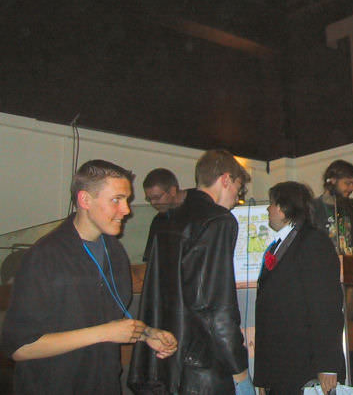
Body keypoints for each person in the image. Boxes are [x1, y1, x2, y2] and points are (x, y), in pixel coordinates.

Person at [0, 160, 177, 395]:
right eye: (117, 199)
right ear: (85, 200)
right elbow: (19, 347)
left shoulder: (114, 251)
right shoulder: (45, 256)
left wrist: (147, 334)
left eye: (126, 200)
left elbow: (109, 319)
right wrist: (103, 333)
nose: (126, 210)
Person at [128, 150, 253, 395]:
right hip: (203, 365)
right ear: (226, 179)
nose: (237, 196)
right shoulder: (218, 220)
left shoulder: (166, 219)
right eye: (238, 187)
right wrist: (239, 371)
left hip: (167, 361)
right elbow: (215, 306)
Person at [254, 181, 345, 394]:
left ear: (283, 208)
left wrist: (328, 365)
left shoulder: (313, 242)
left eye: (271, 203)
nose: (268, 209)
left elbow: (326, 306)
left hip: (305, 366)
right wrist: (264, 375)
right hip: (280, 368)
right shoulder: (280, 245)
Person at [311, 160, 353, 255]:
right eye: (347, 183)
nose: (352, 188)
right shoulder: (313, 207)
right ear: (333, 180)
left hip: (350, 261)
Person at [141, 168, 187, 262]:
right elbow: (151, 260)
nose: (153, 203)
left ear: (173, 191)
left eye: (157, 197)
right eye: (149, 199)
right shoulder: (158, 221)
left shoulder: (198, 209)